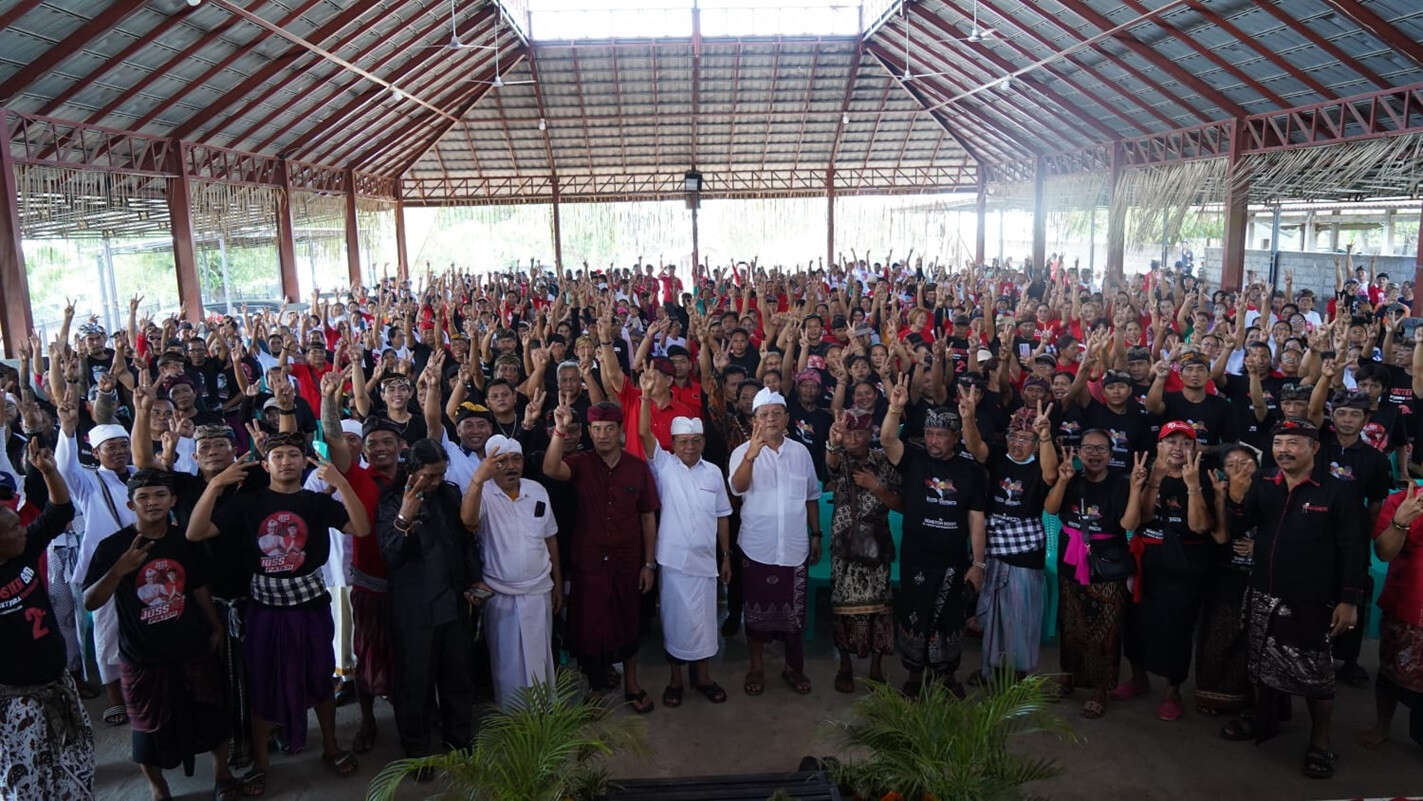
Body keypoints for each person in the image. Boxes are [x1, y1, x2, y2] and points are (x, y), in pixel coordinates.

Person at [186, 432, 370, 795]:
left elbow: (361, 528)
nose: (286, 461)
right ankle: (261, 762)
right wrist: (217, 485)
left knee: (320, 678)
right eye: (278, 456)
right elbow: (195, 532)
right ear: (266, 464)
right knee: (263, 684)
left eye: (293, 455)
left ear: (304, 463)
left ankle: (331, 747)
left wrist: (342, 484)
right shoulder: (248, 504)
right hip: (264, 608)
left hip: (312, 605)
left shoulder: (315, 503)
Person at [1218, 419, 1364, 780]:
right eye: (1279, 442)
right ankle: (1263, 720)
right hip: (1263, 593)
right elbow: (1240, 526)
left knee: (1315, 676)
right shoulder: (1265, 483)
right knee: (1260, 663)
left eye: (1293, 443)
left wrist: (1349, 600)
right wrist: (1235, 499)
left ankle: (1320, 741)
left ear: (1314, 448)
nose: (1284, 450)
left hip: (1311, 601)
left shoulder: (1337, 491)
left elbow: (1354, 549)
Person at [83, 470, 235, 801]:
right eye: (144, 497)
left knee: (212, 715)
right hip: (142, 654)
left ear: (173, 500)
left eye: (159, 496)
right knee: (146, 729)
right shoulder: (113, 548)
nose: (152, 503)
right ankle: (158, 787)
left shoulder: (184, 541)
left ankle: (223, 774)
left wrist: (215, 625)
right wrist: (118, 571)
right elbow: (90, 600)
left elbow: (197, 586)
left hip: (192, 645)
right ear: (130, 503)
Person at [541, 401, 659, 712]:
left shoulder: (637, 467)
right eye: (596, 429)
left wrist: (649, 563)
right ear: (589, 433)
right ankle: (595, 685)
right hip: (589, 563)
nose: (603, 435)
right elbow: (551, 468)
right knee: (589, 627)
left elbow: (648, 516)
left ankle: (631, 684)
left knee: (631, 622)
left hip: (628, 562)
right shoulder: (580, 463)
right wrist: (560, 428)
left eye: (609, 429)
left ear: (621, 432)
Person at [880, 375, 986, 696]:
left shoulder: (970, 470)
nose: (933, 440)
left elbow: (977, 519)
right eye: (929, 433)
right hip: (916, 559)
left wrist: (978, 564)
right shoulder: (914, 460)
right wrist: (895, 409)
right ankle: (914, 677)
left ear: (955, 437)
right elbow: (887, 440)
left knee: (949, 620)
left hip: (953, 561)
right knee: (914, 615)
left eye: (941, 434)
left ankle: (946, 675)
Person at [375, 439, 482, 757]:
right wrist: (405, 517)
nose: (435, 482)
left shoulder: (449, 494)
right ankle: (417, 752)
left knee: (458, 679)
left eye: (440, 474)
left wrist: (474, 581)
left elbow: (466, 542)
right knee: (415, 685)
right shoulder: (391, 501)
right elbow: (391, 556)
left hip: (453, 602)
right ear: (411, 471)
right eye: (429, 476)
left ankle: (459, 742)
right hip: (414, 611)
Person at [0, 440, 89, 800]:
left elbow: (59, 511)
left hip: (57, 686)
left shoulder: (24, 550)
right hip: (13, 705)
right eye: (11, 528)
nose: (23, 529)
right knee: (26, 784)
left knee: (73, 767)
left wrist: (49, 472)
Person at [636, 377, 732, 706]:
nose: (689, 447)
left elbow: (722, 515)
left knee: (705, 623)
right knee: (676, 623)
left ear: (702, 442)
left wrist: (726, 556)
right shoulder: (663, 466)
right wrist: (646, 398)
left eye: (695, 441)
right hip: (674, 562)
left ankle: (703, 677)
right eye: (682, 442)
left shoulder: (714, 473)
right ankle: (676, 681)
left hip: (706, 562)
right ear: (673, 444)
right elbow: (644, 434)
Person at [1045, 431, 1147, 719]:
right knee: (1071, 622)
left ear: (1111, 455)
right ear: (1079, 453)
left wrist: (1137, 489)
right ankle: (1068, 676)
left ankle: (1100, 688)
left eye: (1101, 449)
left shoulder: (1120, 484)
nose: (1094, 454)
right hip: (1071, 558)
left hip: (1107, 564)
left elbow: (1128, 523)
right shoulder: (1071, 479)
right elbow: (1050, 509)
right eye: (1088, 448)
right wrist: (1063, 481)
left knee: (1105, 629)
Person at [728, 386, 822, 697]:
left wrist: (816, 534)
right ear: (754, 420)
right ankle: (756, 667)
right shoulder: (742, 452)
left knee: (794, 617)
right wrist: (752, 457)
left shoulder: (801, 452)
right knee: (755, 614)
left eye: (776, 414)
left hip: (794, 547)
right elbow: (738, 489)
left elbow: (811, 497)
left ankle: (793, 668)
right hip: (757, 547)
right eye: (764, 414)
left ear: (787, 418)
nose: (770, 419)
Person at [1119, 421, 1215, 721]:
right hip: (1146, 561)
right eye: (1170, 442)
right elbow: (1138, 520)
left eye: (1185, 443)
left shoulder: (1203, 479)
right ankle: (1138, 678)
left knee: (1177, 628)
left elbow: (1200, 526)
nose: (1177, 448)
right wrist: (1149, 483)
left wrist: (1193, 486)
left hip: (1185, 564)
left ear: (1194, 448)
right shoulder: (1143, 475)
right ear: (1158, 447)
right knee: (1135, 623)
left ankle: (1172, 691)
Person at [460, 434, 562, 709]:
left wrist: (558, 584)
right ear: (489, 465)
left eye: (515, 459)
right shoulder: (481, 493)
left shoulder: (537, 490)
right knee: (507, 661)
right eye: (501, 461)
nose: (510, 466)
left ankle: (543, 712)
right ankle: (513, 716)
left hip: (539, 589)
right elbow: (468, 522)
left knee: (540, 658)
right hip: (501, 594)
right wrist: (478, 480)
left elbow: (550, 537)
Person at [962, 401, 1058, 681]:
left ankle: (1020, 672)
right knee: (992, 615)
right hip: (993, 544)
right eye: (1014, 437)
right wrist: (968, 418)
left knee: (1021, 615)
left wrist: (1045, 435)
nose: (1018, 444)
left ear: (1036, 443)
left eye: (1025, 439)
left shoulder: (1041, 462)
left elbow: (1051, 475)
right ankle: (989, 671)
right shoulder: (998, 458)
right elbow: (975, 448)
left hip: (1025, 548)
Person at [824, 408, 900, 693]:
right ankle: (844, 665)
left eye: (860, 432)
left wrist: (877, 487)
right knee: (841, 607)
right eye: (849, 433)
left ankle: (876, 668)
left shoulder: (884, 461)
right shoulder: (839, 457)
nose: (854, 438)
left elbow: (901, 503)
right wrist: (834, 439)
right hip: (842, 544)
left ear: (872, 434)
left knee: (880, 609)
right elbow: (830, 461)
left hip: (875, 544)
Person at [1195, 444, 1259, 715]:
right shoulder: (1215, 494)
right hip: (1224, 576)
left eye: (1246, 463)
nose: (1239, 469)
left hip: (1258, 579)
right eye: (1231, 464)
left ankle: (1248, 699)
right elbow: (1220, 537)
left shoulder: (1271, 494)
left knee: (1251, 640)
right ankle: (1211, 695)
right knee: (1217, 635)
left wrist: (1260, 547)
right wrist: (1223, 500)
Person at [1359, 483, 1423, 751]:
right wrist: (1400, 522)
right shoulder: (1404, 499)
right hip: (1409, 604)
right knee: (1390, 672)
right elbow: (1384, 552)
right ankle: (1382, 726)